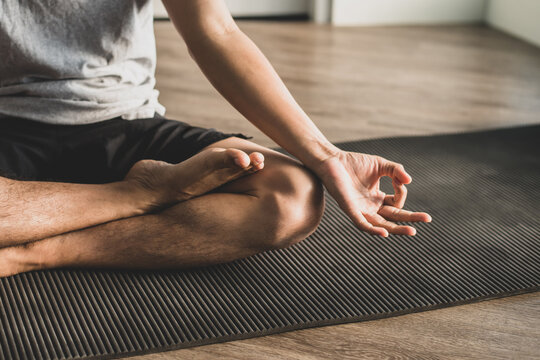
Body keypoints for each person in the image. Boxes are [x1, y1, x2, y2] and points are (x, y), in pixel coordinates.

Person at [0, 0, 431, 278]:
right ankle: (138, 194)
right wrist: (138, 197)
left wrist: (325, 155)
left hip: (127, 121)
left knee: (292, 199)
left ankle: (37, 251)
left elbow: (215, 33)